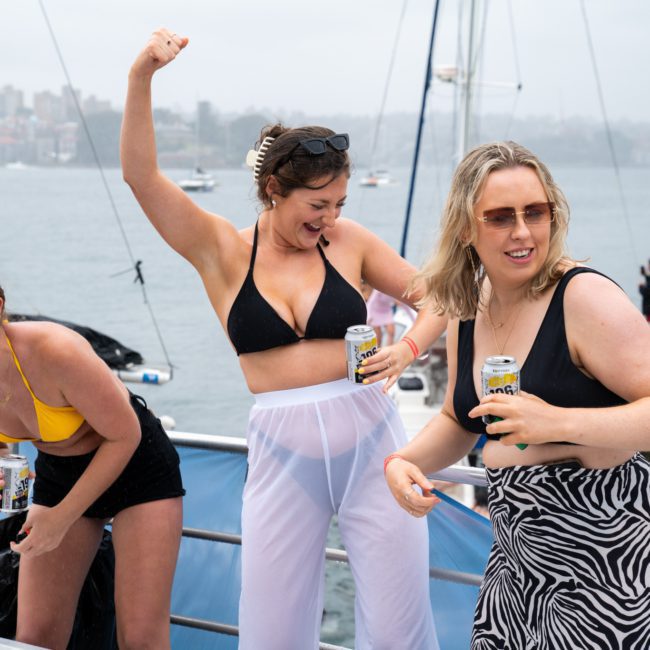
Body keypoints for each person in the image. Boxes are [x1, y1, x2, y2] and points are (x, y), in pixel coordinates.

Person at [121, 29, 448, 650]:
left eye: (339, 203)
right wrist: (143, 76)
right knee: (272, 629)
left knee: (401, 622)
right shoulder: (219, 250)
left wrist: (407, 349)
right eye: (317, 204)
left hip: (373, 442)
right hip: (280, 450)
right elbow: (141, 177)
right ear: (274, 189)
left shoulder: (350, 242)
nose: (329, 219)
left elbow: (440, 298)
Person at [384, 141, 650, 649]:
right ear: (466, 228)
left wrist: (559, 424)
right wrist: (400, 460)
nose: (523, 232)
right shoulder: (467, 306)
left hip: (606, 570)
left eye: (535, 212)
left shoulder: (582, 297)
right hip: (514, 574)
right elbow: (460, 419)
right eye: (500, 217)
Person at [0, 286, 184, 649]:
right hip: (61, 474)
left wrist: (62, 519)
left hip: (137, 466)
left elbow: (125, 435)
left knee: (141, 639)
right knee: (35, 639)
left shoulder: (53, 349)